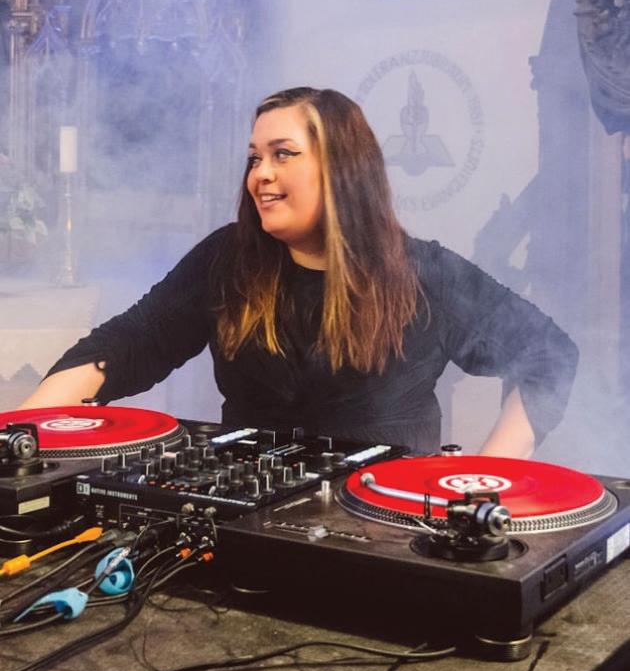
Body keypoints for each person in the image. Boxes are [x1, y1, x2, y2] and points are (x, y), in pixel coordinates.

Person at [19, 87, 578, 457]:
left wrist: (488, 481)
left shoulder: (426, 273)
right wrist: (17, 434)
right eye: (254, 157)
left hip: (383, 534)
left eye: (282, 153)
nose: (260, 174)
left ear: (341, 168)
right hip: (242, 530)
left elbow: (549, 355)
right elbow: (128, 344)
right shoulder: (225, 259)